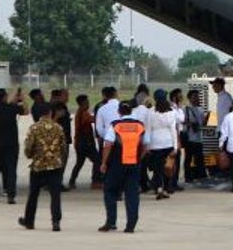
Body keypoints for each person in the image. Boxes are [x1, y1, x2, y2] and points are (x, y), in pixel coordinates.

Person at [99, 103, 148, 233]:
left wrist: (104, 162)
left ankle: (111, 222)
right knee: (132, 194)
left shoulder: (115, 126)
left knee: (109, 191)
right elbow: (146, 146)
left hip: (117, 165)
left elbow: (108, 145)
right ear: (131, 111)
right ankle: (130, 225)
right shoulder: (140, 126)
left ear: (119, 112)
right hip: (134, 165)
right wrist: (139, 158)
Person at [19, 102, 68, 232]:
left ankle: (29, 221)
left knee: (33, 195)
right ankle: (56, 222)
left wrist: (30, 156)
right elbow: (63, 147)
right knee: (55, 195)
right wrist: (58, 158)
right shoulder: (58, 127)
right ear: (50, 112)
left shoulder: (34, 128)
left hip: (38, 166)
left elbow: (29, 147)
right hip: (55, 166)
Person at [0, 87, 26, 203]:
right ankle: (10, 195)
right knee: (11, 170)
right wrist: (21, 99)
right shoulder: (11, 109)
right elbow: (26, 111)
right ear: (3, 98)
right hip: (10, 145)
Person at [145, 89, 179, 199]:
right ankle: (166, 188)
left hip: (155, 144)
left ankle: (159, 188)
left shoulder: (150, 112)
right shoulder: (172, 112)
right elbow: (173, 130)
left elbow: (148, 129)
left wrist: (148, 145)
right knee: (168, 167)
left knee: (158, 168)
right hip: (168, 143)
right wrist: (175, 147)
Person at [69, 94, 101, 190]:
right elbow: (92, 120)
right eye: (87, 102)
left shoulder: (81, 112)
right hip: (85, 142)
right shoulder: (83, 113)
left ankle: (72, 181)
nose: (88, 104)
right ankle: (95, 181)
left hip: (80, 142)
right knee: (97, 160)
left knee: (79, 163)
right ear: (83, 103)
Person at [183, 89, 207, 182]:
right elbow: (183, 122)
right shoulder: (186, 109)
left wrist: (205, 119)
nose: (197, 99)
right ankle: (188, 177)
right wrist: (190, 124)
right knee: (188, 159)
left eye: (197, 97)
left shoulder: (201, 109)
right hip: (189, 138)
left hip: (198, 138)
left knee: (199, 158)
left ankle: (200, 176)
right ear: (189, 98)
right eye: (194, 97)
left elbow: (203, 123)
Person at [167, 88, 186, 192]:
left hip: (179, 134)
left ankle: (174, 182)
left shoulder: (178, 108)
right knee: (173, 161)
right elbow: (180, 119)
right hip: (174, 135)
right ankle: (170, 183)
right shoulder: (172, 108)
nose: (181, 97)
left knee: (178, 161)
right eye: (179, 96)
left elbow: (182, 119)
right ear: (174, 97)